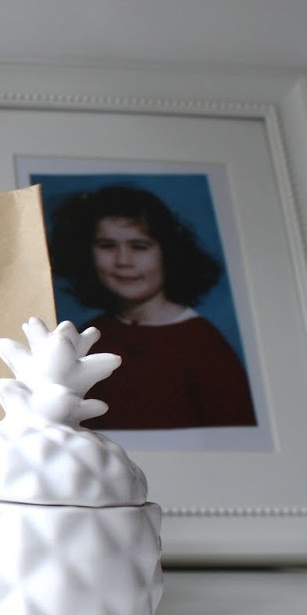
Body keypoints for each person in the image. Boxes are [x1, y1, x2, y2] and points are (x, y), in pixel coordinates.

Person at [47, 184, 257, 430]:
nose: (123, 261)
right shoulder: (92, 333)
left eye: (139, 246)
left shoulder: (203, 344)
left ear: (168, 253)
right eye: (107, 245)